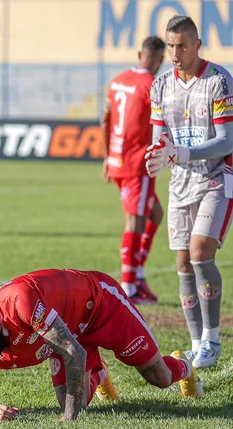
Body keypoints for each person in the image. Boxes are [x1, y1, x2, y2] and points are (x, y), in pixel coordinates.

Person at [0, 268, 202, 422]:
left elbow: (72, 351)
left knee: (161, 378)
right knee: (73, 400)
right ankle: (99, 372)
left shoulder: (20, 302)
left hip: (101, 306)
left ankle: (184, 366)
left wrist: (70, 418)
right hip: (66, 333)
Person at [145, 15, 233, 368]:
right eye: (171, 45)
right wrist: (157, 154)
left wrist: (182, 152)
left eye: (183, 45)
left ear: (198, 45)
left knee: (199, 253)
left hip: (217, 178)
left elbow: (227, 140)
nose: (176, 52)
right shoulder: (161, 85)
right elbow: (158, 137)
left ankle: (212, 340)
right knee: (183, 263)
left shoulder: (218, 81)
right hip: (180, 183)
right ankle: (196, 342)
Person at [101, 37, 166, 304]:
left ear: (140, 53)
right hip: (137, 162)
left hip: (117, 159)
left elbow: (105, 119)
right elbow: (163, 120)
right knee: (135, 221)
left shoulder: (117, 80)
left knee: (155, 214)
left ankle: (137, 275)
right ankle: (129, 285)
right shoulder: (152, 84)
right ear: (159, 58)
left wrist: (107, 157)